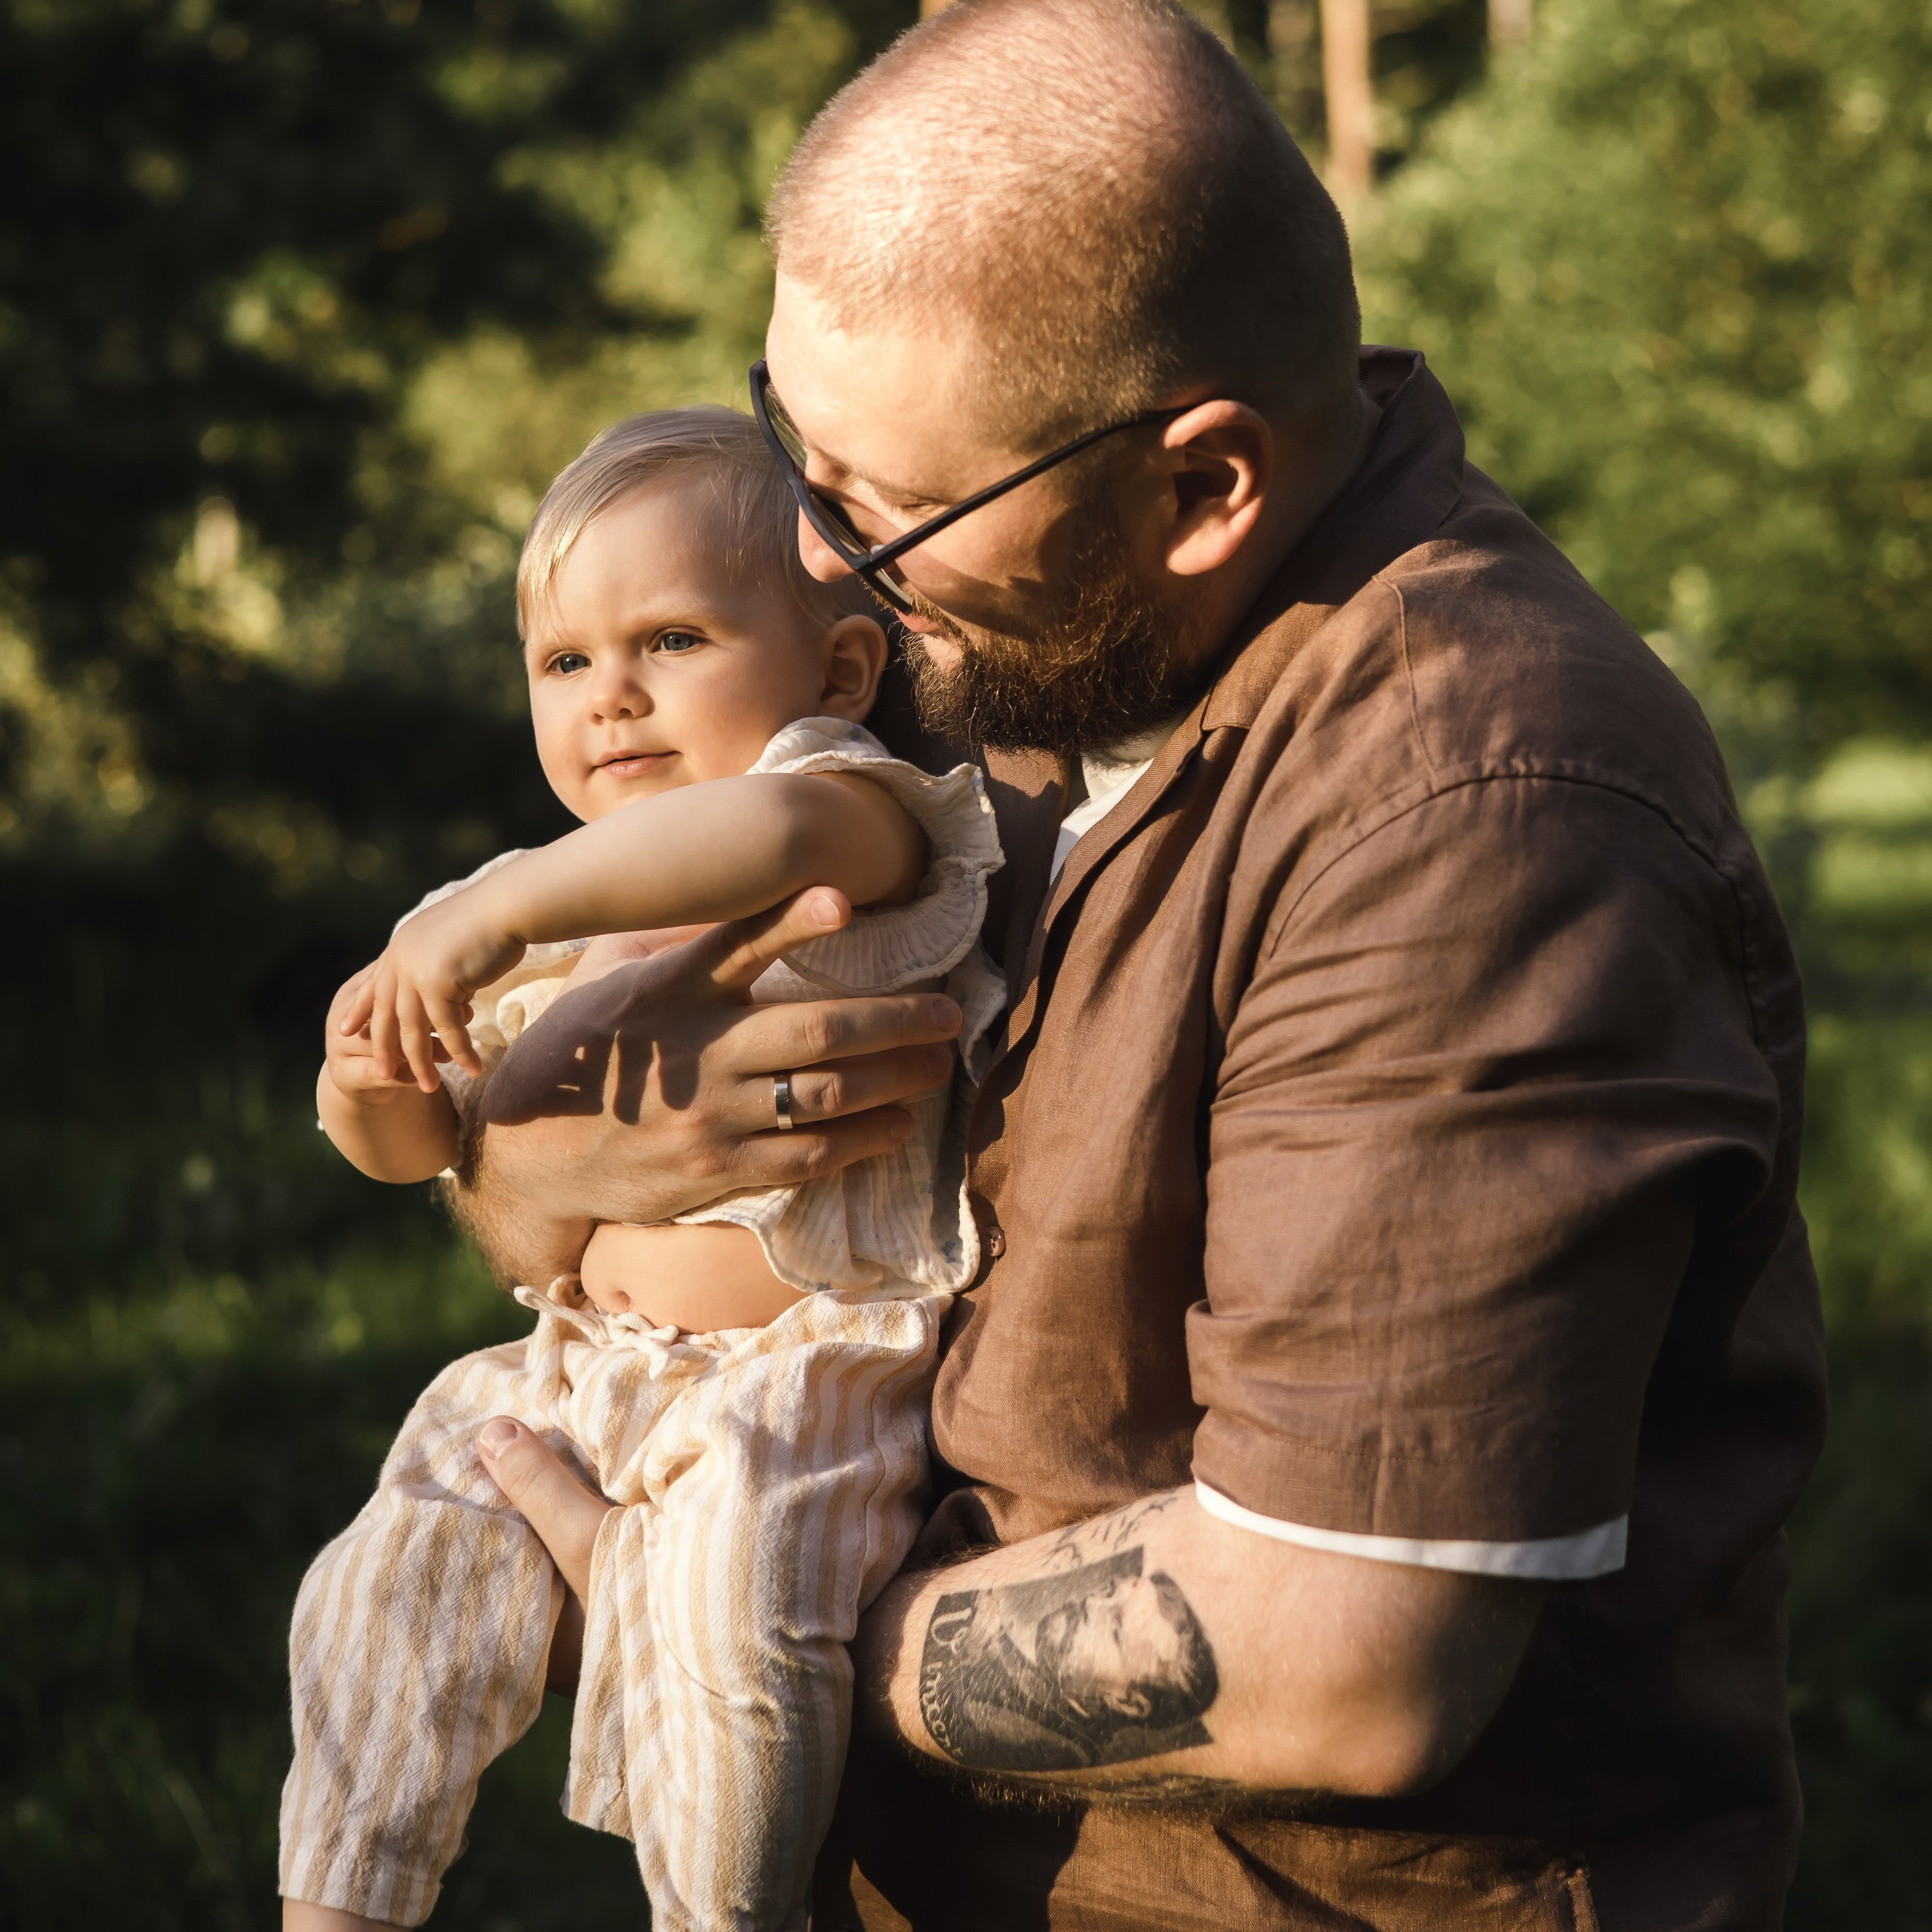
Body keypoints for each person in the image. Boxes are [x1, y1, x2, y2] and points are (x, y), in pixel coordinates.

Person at [449, 1, 1827, 1924]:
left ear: (1200, 489)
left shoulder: (1474, 811)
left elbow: (1340, 1652)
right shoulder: (1013, 645)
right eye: (793, 452)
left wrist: (723, 1613)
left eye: (880, 508)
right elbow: (593, 1178)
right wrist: (539, 1175)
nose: (823, 568)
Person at [279, 408, 1004, 1930]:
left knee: (723, 1619)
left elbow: (758, 832)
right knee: (382, 1577)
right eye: (563, 662)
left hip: (798, 1372)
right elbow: (417, 1147)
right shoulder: (531, 901)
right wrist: (374, 1083)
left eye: (669, 637)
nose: (609, 696)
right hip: (576, 1360)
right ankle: (340, 1898)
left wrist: (485, 921)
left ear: (837, 671)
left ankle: (723, 1913)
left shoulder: (853, 813)